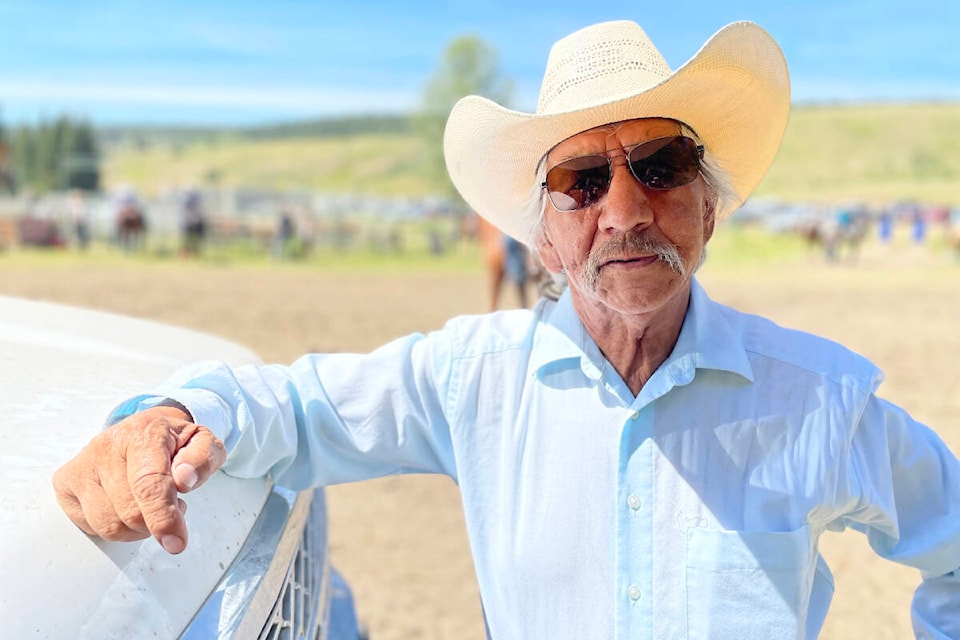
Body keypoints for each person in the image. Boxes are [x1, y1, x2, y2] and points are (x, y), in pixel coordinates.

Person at [52, 19, 960, 639]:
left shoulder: (822, 402)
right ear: (545, 239)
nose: (625, 211)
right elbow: (293, 410)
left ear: (709, 206)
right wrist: (163, 418)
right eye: (583, 183)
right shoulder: (474, 376)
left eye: (661, 163)